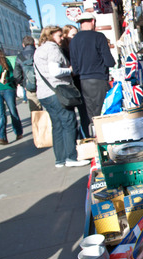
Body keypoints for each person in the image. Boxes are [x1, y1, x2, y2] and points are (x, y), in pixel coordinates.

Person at [34, 25, 90, 168]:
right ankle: (71, 157)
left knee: (57, 125)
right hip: (57, 91)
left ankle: (60, 159)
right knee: (69, 122)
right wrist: (70, 69)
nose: (61, 39)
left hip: (44, 93)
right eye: (59, 36)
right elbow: (55, 71)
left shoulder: (39, 49)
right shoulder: (52, 48)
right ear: (51, 35)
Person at [69, 12, 116, 123]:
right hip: (99, 79)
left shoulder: (74, 41)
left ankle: (96, 136)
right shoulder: (99, 37)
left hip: (84, 81)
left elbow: (74, 68)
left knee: (92, 115)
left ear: (80, 24)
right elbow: (109, 61)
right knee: (104, 112)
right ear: (93, 21)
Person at [61, 24, 90, 139]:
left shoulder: (77, 48)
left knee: (84, 115)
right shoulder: (63, 51)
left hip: (80, 85)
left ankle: (85, 138)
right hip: (71, 87)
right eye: (73, 35)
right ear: (65, 36)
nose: (75, 37)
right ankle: (82, 139)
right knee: (72, 118)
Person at [14, 36, 43, 112]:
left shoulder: (20, 56)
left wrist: (23, 84)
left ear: (23, 45)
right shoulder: (40, 52)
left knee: (35, 109)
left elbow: (17, 74)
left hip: (30, 85)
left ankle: (38, 123)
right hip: (44, 84)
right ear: (34, 43)